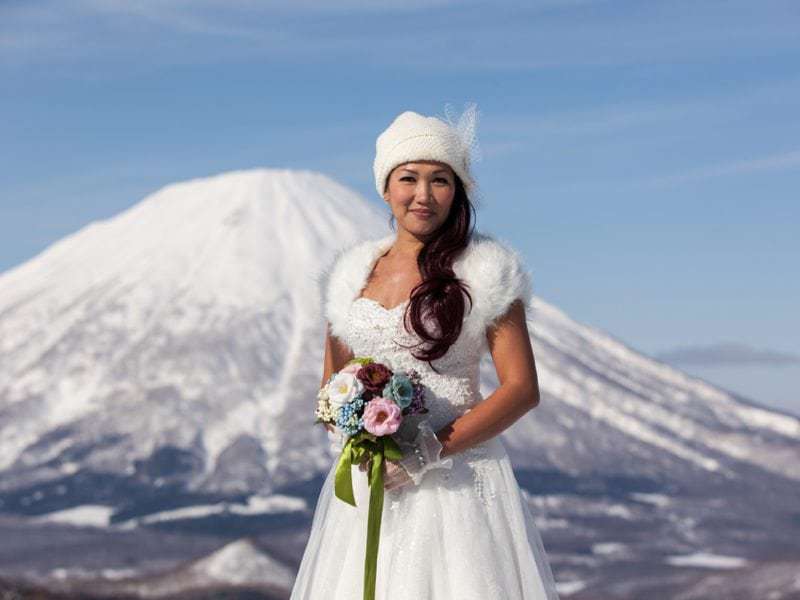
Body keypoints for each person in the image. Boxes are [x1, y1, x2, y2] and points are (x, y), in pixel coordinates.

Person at [290, 105, 560, 599]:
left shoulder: (485, 269)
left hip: (456, 485)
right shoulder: (350, 274)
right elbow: (331, 386)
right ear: (386, 187)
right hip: (371, 486)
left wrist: (423, 451)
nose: (422, 194)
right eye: (408, 177)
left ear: (457, 191)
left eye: (440, 180)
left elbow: (521, 389)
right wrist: (357, 423)